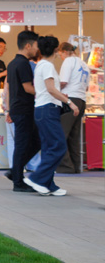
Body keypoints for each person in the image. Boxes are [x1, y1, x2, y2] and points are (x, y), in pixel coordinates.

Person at [23, 36, 78, 197]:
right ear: (56, 50)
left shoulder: (41, 65)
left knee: (49, 147)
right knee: (58, 146)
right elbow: (51, 89)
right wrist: (70, 102)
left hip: (43, 109)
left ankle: (48, 184)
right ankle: (37, 179)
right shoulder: (47, 66)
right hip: (48, 109)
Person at [5, 30, 40, 193]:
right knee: (22, 144)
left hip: (17, 108)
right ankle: (18, 182)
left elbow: (10, 89)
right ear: (28, 46)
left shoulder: (12, 63)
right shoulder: (23, 64)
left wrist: (9, 109)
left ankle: (15, 171)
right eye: (36, 45)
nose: (37, 49)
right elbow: (27, 88)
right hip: (24, 109)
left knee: (35, 141)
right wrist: (45, 92)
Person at [57, 42, 89, 173]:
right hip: (81, 100)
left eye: (60, 55)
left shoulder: (68, 61)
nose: (61, 58)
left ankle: (65, 166)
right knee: (74, 136)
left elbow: (63, 82)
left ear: (64, 52)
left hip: (70, 99)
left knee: (61, 133)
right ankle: (76, 166)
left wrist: (53, 90)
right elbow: (87, 87)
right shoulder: (84, 64)